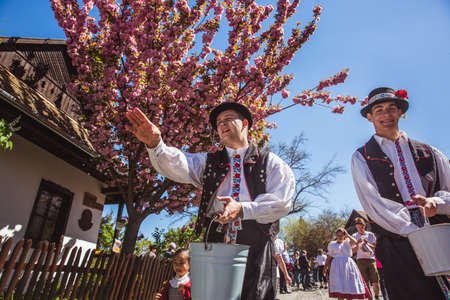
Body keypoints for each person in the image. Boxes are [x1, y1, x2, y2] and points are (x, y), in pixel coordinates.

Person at [126, 102, 295, 300]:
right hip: (215, 242)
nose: (222, 124)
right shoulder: (209, 162)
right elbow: (180, 163)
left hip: (257, 245)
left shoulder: (270, 162)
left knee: (256, 295)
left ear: (245, 124)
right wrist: (156, 145)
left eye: (228, 119)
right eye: (218, 122)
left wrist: (243, 209)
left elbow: (282, 201)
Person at [351, 87, 450, 300]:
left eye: (391, 109)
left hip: (439, 231)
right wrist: (413, 229)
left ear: (400, 113)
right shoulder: (362, 157)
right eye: (379, 110)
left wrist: (436, 204)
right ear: (369, 116)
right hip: (395, 238)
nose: (386, 115)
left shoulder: (430, 152)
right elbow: (373, 203)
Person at [324, 228, 371, 300]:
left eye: (341, 235)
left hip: (348, 265)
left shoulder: (347, 242)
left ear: (344, 235)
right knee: (339, 286)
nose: (339, 237)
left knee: (349, 285)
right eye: (338, 235)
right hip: (337, 267)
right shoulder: (332, 244)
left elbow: (356, 242)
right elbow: (329, 256)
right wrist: (325, 267)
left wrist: (348, 234)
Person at [352, 217, 380, 299]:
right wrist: (357, 244)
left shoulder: (370, 235)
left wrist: (368, 244)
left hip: (371, 260)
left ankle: (377, 296)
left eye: (361, 226)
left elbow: (376, 248)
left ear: (364, 225)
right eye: (358, 226)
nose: (360, 228)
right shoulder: (354, 236)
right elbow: (352, 251)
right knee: (365, 282)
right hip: (360, 260)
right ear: (356, 227)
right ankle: (369, 297)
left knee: (375, 281)